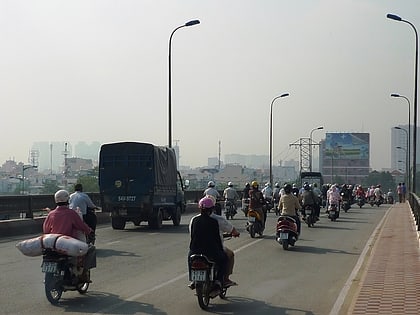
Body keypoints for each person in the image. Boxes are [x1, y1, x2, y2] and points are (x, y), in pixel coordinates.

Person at [43, 189, 94, 281]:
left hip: (53, 243)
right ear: (67, 200)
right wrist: (89, 231)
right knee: (90, 249)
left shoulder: (51, 214)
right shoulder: (71, 213)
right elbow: (81, 226)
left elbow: (46, 230)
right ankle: (83, 275)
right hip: (68, 243)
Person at [188, 196, 228, 289]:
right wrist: (220, 249)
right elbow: (217, 238)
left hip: (195, 250)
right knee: (224, 259)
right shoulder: (213, 221)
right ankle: (218, 280)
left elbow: (192, 236)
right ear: (211, 209)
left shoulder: (194, 220)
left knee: (190, 260)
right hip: (211, 251)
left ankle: (193, 280)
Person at [206, 195, 240, 286]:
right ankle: (225, 279)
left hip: (197, 250)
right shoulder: (217, 220)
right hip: (215, 249)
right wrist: (235, 233)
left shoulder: (194, 220)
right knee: (227, 256)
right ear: (213, 207)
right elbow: (233, 230)